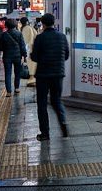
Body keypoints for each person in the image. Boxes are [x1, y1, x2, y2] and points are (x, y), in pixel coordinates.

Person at [30, 13, 69, 141]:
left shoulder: (40, 38)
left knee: (42, 103)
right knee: (56, 101)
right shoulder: (62, 37)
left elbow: (34, 57)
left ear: (43, 24)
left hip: (43, 75)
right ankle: (63, 124)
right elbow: (66, 56)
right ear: (54, 23)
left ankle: (45, 133)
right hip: (58, 74)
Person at [0, 19, 27, 96]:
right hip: (17, 56)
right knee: (17, 73)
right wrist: (25, 56)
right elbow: (22, 46)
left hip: (7, 56)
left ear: (6, 25)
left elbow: (0, 47)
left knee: (8, 73)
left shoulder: (3, 34)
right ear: (15, 25)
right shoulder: (19, 33)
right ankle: (17, 88)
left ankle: (8, 91)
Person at [19, 17, 38, 87]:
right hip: (32, 49)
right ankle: (32, 80)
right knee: (32, 65)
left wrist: (24, 52)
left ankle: (31, 80)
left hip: (29, 50)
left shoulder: (26, 29)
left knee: (30, 66)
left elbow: (25, 41)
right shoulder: (30, 28)